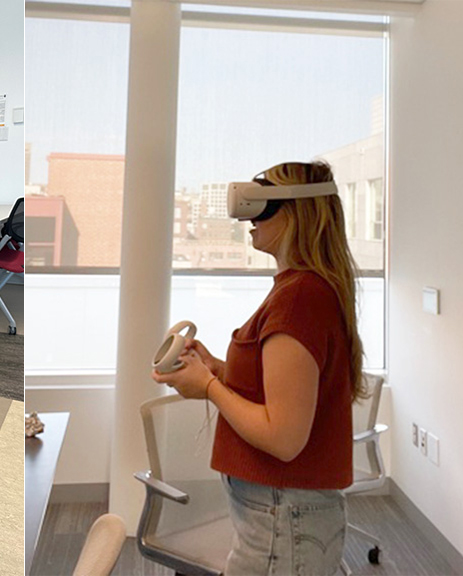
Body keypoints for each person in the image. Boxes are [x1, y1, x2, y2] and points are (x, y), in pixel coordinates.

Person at [152, 161, 367, 576]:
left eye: (261, 205)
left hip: (284, 517)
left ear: (294, 212)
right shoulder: (303, 289)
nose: (248, 220)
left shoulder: (299, 298)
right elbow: (280, 390)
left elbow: (283, 438)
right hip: (282, 514)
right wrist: (214, 367)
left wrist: (210, 388)